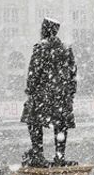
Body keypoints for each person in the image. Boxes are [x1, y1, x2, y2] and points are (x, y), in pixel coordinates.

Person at [20, 17, 77, 167]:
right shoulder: (66, 48)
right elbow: (73, 73)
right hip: (61, 96)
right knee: (61, 125)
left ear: (44, 30)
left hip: (42, 95)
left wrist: (30, 90)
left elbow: (34, 73)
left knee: (33, 119)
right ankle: (60, 156)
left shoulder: (40, 48)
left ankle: (38, 154)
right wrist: (69, 93)